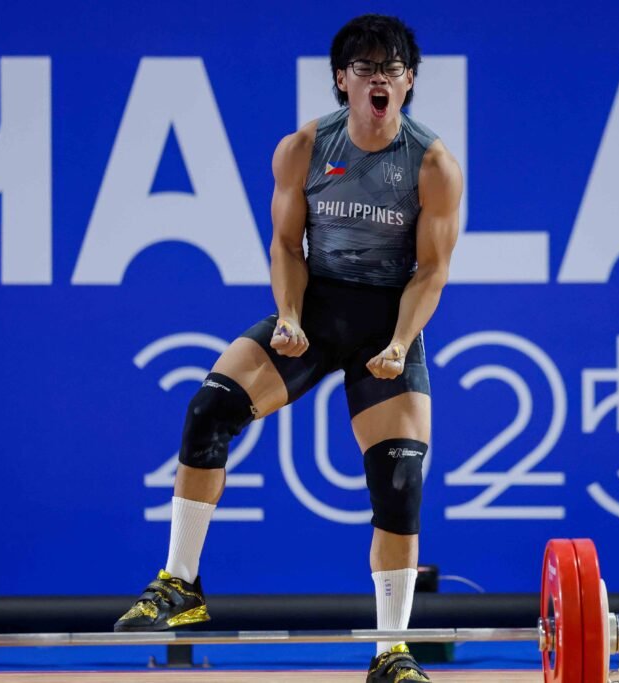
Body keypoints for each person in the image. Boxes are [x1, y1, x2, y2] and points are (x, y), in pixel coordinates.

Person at [115, 13, 462, 683]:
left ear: (409, 82)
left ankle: (391, 651)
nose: (379, 78)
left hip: (387, 319)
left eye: (391, 68)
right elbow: (285, 245)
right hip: (318, 308)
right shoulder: (303, 148)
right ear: (343, 81)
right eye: (365, 69)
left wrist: (398, 341)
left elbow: (430, 272)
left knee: (400, 476)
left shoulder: (432, 165)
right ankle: (180, 583)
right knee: (210, 408)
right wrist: (291, 315)